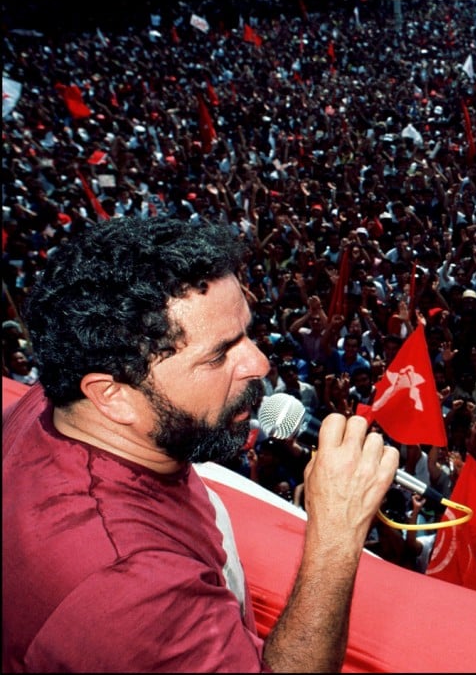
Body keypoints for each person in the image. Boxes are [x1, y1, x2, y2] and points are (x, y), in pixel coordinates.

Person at [2, 217, 399, 672]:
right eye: (218, 354)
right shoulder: (128, 588)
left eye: (246, 334)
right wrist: (336, 535)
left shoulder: (63, 401)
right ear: (112, 395)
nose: (259, 363)